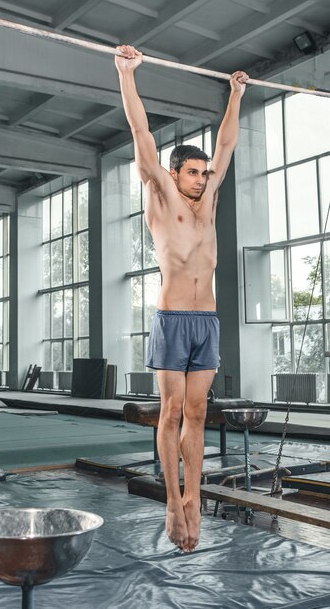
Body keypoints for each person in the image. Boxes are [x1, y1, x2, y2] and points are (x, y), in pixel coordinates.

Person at [115, 44, 248, 553]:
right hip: (172, 320)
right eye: (193, 172)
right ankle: (172, 500)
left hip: (207, 322)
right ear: (174, 174)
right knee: (170, 413)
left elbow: (228, 143)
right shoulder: (162, 194)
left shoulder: (208, 203)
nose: (201, 178)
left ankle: (196, 497)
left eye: (204, 174)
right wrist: (126, 74)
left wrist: (234, 94)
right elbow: (141, 133)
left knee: (198, 413)